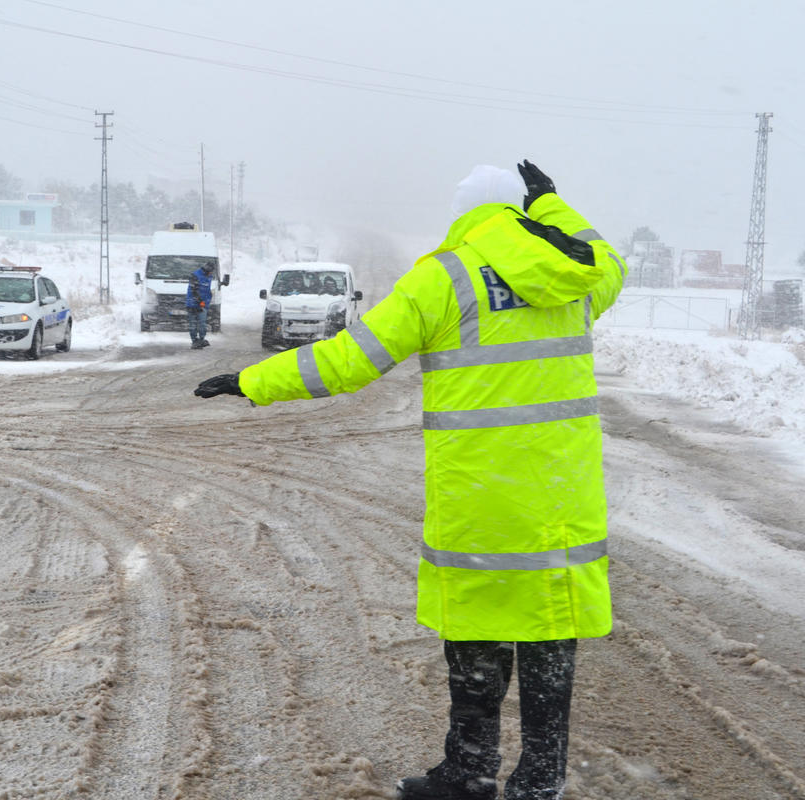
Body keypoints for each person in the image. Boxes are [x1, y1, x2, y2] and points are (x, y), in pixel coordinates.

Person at [194, 160, 627, 800]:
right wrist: (556, 208)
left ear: (462, 215)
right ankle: (540, 780)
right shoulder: (576, 275)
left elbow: (350, 360)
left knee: (477, 644)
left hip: (480, 500)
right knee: (548, 644)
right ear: (523, 212)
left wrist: (254, 380)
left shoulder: (443, 278)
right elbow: (608, 260)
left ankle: (470, 773)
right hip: (563, 499)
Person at [186, 261, 216, 349]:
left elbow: (207, 289)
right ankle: (194, 340)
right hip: (192, 304)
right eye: (211, 271)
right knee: (193, 324)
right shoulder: (195, 276)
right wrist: (199, 301)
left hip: (203, 304)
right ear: (207, 270)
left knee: (202, 324)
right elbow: (193, 290)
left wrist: (208, 299)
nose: (212, 273)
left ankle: (201, 339)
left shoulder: (209, 277)